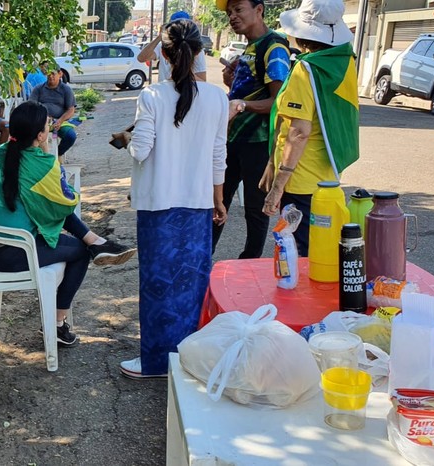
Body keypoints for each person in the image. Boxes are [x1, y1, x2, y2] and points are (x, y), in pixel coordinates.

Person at [0, 101, 137, 348]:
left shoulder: (0, 153)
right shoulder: (42, 164)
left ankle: (97, 242)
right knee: (79, 253)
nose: (50, 127)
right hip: (14, 251)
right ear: (40, 135)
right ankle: (57, 323)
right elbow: (67, 200)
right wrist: (50, 153)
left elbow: (45, 205)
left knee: (54, 210)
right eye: (47, 125)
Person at [123, 20, 231, 379]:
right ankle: (189, 361)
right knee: (191, 285)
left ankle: (155, 363)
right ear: (199, 52)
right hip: (198, 204)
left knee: (157, 287)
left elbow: (141, 151)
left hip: (157, 207)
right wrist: (219, 199)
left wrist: (127, 138)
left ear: (164, 55)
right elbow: (219, 155)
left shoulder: (151, 96)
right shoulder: (218, 98)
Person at [261, 0, 359, 255]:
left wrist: (277, 187)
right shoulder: (343, 63)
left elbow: (299, 131)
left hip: (300, 182)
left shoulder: (305, 70)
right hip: (326, 179)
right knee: (317, 249)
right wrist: (272, 162)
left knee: (297, 253)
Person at [210, 0, 291, 259]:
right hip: (233, 139)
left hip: (258, 142)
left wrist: (242, 104)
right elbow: (247, 89)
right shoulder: (250, 46)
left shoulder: (274, 47)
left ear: (259, 10)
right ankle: (202, 257)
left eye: (238, 9)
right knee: (217, 200)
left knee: (255, 211)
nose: (232, 16)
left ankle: (249, 264)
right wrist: (232, 83)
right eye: (229, 12)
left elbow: (279, 102)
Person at [136, 11, 208, 82]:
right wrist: (160, 37)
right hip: (165, 91)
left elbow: (202, 80)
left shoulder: (195, 48)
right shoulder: (164, 45)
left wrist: (182, 76)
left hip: (186, 91)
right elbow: (141, 58)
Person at [28, 64, 78, 158]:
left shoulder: (66, 90)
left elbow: (71, 110)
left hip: (60, 121)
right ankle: (40, 157)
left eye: (53, 73)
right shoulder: (38, 89)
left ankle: (58, 154)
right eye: (48, 74)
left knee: (71, 136)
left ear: (60, 74)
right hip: (41, 121)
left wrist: (60, 120)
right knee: (33, 135)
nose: (50, 76)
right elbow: (31, 106)